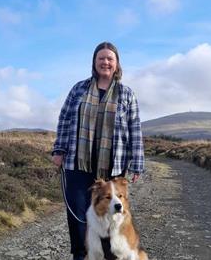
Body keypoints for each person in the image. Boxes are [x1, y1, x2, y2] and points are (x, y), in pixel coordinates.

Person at [52, 41, 145, 260]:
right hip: (77, 162)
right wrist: (59, 149)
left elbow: (135, 129)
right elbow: (65, 119)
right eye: (101, 58)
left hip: (113, 165)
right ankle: (81, 255)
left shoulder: (126, 94)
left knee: (113, 212)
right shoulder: (79, 89)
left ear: (117, 64)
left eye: (110, 59)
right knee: (78, 214)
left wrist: (137, 163)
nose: (105, 62)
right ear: (94, 62)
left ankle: (111, 254)